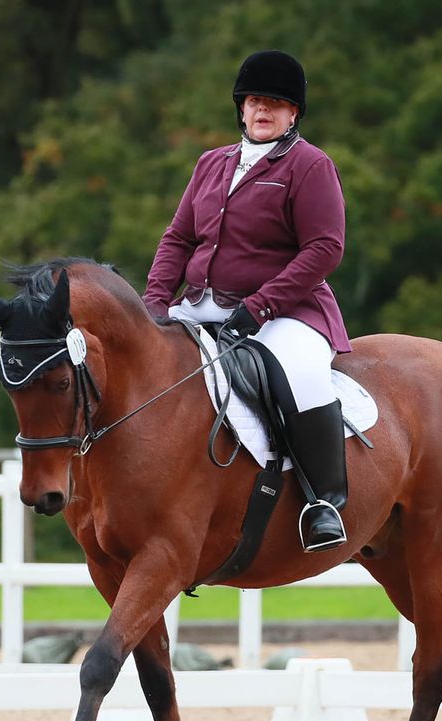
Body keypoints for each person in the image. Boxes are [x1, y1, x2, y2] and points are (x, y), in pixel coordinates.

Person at [143, 50, 352, 554]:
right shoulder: (211, 163)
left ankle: (323, 501)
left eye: (276, 104)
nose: (264, 111)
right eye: (257, 101)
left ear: (293, 113)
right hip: (200, 305)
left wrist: (258, 308)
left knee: (298, 374)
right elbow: (178, 239)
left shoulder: (309, 165)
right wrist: (153, 304)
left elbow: (325, 248)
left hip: (286, 312)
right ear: (241, 107)